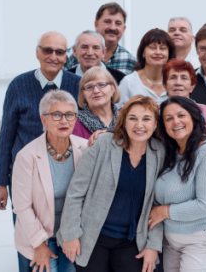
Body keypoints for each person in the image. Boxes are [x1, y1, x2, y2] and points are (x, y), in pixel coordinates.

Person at [0, 31, 80, 272]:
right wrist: (2, 181)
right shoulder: (19, 85)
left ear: (67, 56)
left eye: (60, 52)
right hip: (26, 180)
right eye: (47, 50)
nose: (53, 56)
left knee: (67, 249)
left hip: (65, 175)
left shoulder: (76, 85)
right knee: (31, 249)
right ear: (37, 52)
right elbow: (7, 136)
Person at [58, 95, 165, 272]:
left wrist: (153, 245)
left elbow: (157, 204)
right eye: (133, 118)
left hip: (131, 240)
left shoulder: (160, 152)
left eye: (146, 119)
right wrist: (70, 235)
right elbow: (75, 193)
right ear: (123, 122)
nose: (139, 125)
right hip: (91, 236)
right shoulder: (103, 143)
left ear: (155, 124)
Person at [12, 90, 87, 272]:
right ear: (43, 120)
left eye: (69, 115)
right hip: (41, 235)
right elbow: (22, 207)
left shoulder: (85, 148)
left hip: (74, 233)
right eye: (56, 115)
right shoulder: (26, 156)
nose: (64, 121)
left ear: (75, 119)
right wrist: (39, 245)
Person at [149, 96, 206, 272]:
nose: (175, 121)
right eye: (168, 118)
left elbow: (205, 205)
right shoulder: (170, 150)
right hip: (171, 240)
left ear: (193, 117)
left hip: (200, 239)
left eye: (181, 115)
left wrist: (164, 211)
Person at [64, 2, 136, 75]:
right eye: (107, 22)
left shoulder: (131, 61)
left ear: (123, 29)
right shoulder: (69, 55)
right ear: (96, 24)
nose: (112, 27)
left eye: (118, 23)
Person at [162, 59, 206, 140]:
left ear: (192, 86)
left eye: (184, 78)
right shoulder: (155, 112)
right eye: (173, 77)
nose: (178, 83)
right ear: (165, 85)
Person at [117, 29, 176, 107]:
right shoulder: (129, 83)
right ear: (143, 53)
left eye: (162, 48)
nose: (158, 52)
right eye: (152, 47)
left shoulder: (176, 81)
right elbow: (117, 114)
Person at [72, 67, 120, 139]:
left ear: (112, 89)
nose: (96, 91)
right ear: (83, 94)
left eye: (101, 85)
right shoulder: (75, 123)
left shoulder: (126, 118)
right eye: (89, 87)